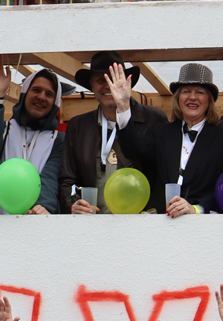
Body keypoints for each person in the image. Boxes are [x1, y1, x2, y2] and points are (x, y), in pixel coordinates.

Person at [117, 61, 223, 215]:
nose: (192, 97)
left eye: (200, 92)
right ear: (177, 98)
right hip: (161, 222)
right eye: (186, 91)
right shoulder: (161, 131)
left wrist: (196, 209)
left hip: (204, 223)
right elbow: (133, 150)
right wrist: (123, 107)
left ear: (209, 100)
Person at [60, 51, 165, 214]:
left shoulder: (154, 119)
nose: (109, 85)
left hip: (141, 225)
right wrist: (72, 204)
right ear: (91, 86)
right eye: (101, 80)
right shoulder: (78, 126)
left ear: (127, 83)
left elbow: (164, 175)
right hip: (93, 223)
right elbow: (67, 181)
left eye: (114, 79)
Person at [0, 62, 61, 215]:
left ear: (55, 103)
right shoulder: (5, 131)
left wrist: (42, 207)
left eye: (49, 94)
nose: (41, 97)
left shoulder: (58, 140)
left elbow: (50, 179)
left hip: (38, 221)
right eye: (36, 90)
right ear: (24, 94)